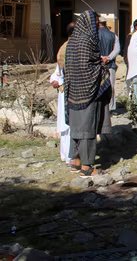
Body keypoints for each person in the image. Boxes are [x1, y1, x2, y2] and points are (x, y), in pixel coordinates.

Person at [64, 10, 112, 178]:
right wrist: (102, 66)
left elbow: (72, 66)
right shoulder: (87, 41)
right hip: (87, 92)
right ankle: (87, 166)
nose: (98, 26)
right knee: (87, 130)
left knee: (76, 129)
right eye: (96, 23)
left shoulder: (72, 42)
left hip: (73, 92)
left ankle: (75, 161)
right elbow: (87, 68)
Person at [49, 21, 75, 167]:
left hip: (71, 91)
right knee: (68, 126)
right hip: (68, 92)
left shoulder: (68, 47)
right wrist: (56, 81)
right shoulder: (67, 48)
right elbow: (58, 74)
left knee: (71, 126)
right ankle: (68, 155)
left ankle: (70, 155)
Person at [97, 16, 120, 112]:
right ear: (106, 23)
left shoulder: (93, 35)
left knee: (98, 86)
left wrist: (101, 57)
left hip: (97, 65)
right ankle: (111, 107)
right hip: (110, 65)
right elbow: (117, 49)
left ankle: (100, 106)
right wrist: (109, 58)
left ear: (98, 23)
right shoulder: (113, 35)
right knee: (111, 85)